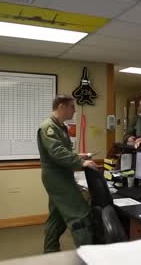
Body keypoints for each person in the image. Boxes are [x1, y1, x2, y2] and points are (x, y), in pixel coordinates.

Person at [37, 95, 97, 253]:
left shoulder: (61, 126)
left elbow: (65, 151)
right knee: (81, 214)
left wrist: (79, 156)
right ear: (62, 107)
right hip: (56, 178)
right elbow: (56, 152)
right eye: (72, 107)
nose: (74, 110)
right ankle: (88, 256)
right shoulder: (48, 127)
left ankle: (50, 253)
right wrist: (81, 163)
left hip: (62, 176)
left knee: (57, 218)